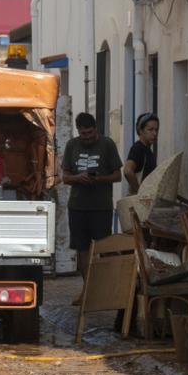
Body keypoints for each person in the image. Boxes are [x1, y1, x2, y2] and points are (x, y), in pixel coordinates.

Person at [62, 112, 123, 281]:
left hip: (101, 207)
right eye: (83, 134)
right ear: (78, 131)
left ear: (95, 129)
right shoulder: (71, 145)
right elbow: (65, 177)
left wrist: (99, 179)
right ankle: (87, 290)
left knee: (104, 248)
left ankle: (106, 288)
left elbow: (118, 176)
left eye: (90, 133)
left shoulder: (107, 144)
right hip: (77, 207)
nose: (87, 137)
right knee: (82, 249)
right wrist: (77, 178)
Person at [123, 112, 158, 195]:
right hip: (139, 203)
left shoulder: (148, 150)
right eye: (150, 129)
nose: (155, 133)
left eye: (156, 130)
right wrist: (139, 193)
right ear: (140, 131)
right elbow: (128, 171)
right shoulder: (138, 148)